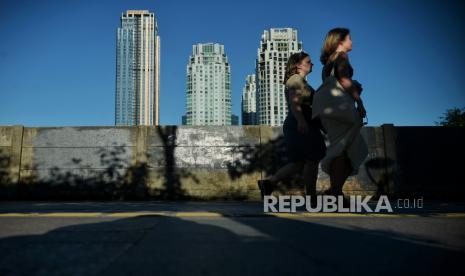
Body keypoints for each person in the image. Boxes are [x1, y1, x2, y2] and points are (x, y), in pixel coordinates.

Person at [258, 52, 326, 198]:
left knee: (299, 162)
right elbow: (294, 101)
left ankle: (269, 183)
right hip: (300, 124)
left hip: (301, 123)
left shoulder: (301, 81)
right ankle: (311, 196)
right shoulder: (295, 80)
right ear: (297, 65)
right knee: (312, 160)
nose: (312, 64)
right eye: (308, 62)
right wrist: (301, 121)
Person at [314, 27, 368, 198]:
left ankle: (334, 190)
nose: (352, 41)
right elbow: (344, 80)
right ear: (340, 42)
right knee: (344, 150)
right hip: (341, 110)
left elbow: (336, 82)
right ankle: (336, 192)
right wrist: (359, 100)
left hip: (329, 112)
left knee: (345, 149)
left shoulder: (328, 62)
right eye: (349, 38)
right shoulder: (342, 56)